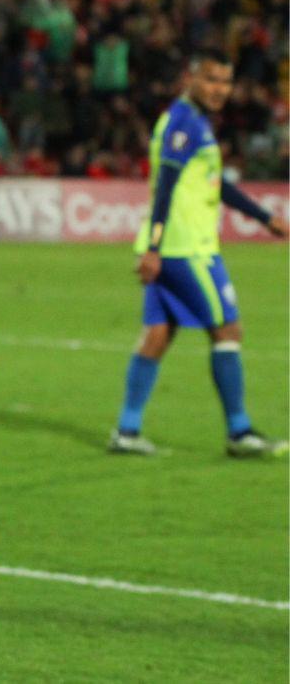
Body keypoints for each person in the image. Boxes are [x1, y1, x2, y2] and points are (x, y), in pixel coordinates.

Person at [109, 49, 288, 457]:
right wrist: (154, 249)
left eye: (225, 82)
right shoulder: (185, 124)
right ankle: (240, 433)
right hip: (185, 249)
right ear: (190, 77)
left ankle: (127, 430)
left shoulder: (195, 122)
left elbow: (215, 185)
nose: (219, 89)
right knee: (227, 330)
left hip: (174, 247)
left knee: (158, 334)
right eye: (211, 80)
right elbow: (166, 188)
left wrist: (263, 216)